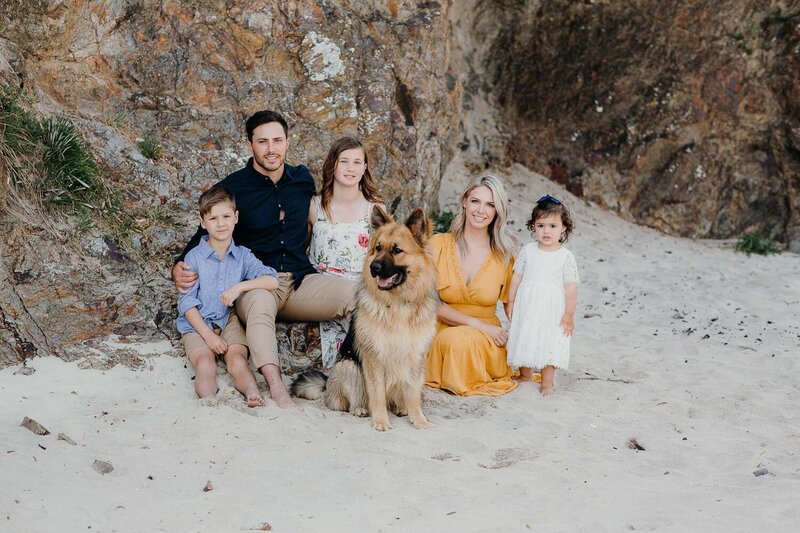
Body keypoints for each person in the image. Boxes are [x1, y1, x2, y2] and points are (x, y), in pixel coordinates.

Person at [172, 110, 355, 408]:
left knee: (355, 295)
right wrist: (177, 267)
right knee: (258, 304)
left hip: (299, 281)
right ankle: (276, 385)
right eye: (263, 142)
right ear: (250, 146)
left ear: (287, 142)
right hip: (255, 286)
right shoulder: (233, 187)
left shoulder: (302, 180)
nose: (271, 149)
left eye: (277, 141)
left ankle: (365, 373)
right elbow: (200, 237)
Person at [176, 186, 279, 407]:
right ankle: (209, 400)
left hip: (228, 319)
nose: (221, 224)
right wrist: (209, 337)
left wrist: (240, 286)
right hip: (197, 323)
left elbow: (272, 279)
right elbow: (186, 302)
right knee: (205, 362)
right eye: (213, 218)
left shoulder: (243, 256)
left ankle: (252, 393)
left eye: (226, 216)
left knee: (238, 361)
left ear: (236, 217)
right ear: (203, 222)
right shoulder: (194, 257)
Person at [425, 175, 520, 396]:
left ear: (498, 211)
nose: (481, 210)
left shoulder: (506, 256)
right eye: (476, 201)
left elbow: (514, 308)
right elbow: (428, 302)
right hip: (440, 328)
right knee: (449, 338)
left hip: (486, 339)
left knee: (457, 339)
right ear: (464, 201)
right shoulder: (438, 245)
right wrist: (479, 325)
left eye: (490, 205)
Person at [307, 137, 384, 370]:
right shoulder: (314, 205)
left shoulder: (375, 207)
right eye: (344, 161)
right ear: (333, 165)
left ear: (365, 168)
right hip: (324, 287)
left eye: (357, 162)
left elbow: (382, 256)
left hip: (363, 286)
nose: (351, 168)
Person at [505, 194, 579, 396]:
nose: (546, 231)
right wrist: (510, 301)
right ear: (533, 227)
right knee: (525, 334)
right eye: (541, 225)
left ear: (563, 228)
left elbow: (571, 287)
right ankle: (525, 374)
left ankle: (547, 382)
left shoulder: (565, 256)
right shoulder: (528, 250)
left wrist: (569, 314)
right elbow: (516, 277)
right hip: (527, 303)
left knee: (548, 340)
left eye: (553, 226)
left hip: (552, 307)